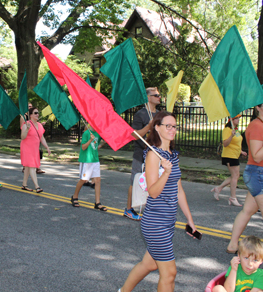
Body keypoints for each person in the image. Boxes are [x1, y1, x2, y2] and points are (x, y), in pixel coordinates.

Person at [119, 111, 198, 292]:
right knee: (169, 273)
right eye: (167, 126)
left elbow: (179, 190)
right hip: (155, 223)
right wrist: (167, 172)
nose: (172, 129)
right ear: (157, 127)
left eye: (174, 126)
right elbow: (153, 192)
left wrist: (190, 219)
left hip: (168, 221)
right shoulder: (153, 155)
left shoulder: (172, 155)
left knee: (149, 265)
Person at [227, 94, 263, 255]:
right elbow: (257, 156)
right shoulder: (257, 126)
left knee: (247, 211)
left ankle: (232, 244)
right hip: (260, 174)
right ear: (257, 108)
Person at [125, 87, 160, 220]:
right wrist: (148, 127)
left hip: (155, 155)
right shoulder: (140, 114)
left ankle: (151, 210)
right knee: (136, 182)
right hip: (141, 154)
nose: (159, 97)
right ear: (148, 98)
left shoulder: (159, 114)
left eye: (159, 95)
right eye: (156, 95)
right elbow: (134, 135)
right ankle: (129, 209)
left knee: (153, 182)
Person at [211, 115, 247, 206]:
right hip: (229, 155)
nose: (239, 120)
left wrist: (241, 151)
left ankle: (219, 188)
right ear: (231, 120)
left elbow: (237, 143)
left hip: (235, 155)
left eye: (239, 118)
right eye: (237, 118)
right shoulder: (227, 130)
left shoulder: (236, 130)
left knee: (235, 175)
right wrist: (231, 135)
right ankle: (232, 197)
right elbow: (225, 144)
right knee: (235, 176)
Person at [70, 123, 107, 211]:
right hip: (86, 160)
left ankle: (97, 203)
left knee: (97, 180)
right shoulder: (86, 133)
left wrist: (104, 142)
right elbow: (83, 147)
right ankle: (74, 197)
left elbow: (95, 147)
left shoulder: (97, 134)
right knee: (83, 180)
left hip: (95, 160)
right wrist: (90, 139)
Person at [20, 107, 51, 193]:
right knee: (32, 166)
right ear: (31, 115)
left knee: (27, 167)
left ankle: (24, 185)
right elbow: (22, 137)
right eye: (35, 113)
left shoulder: (40, 125)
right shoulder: (26, 124)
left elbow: (42, 138)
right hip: (26, 148)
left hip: (34, 149)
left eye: (38, 113)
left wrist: (47, 147)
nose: (37, 114)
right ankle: (37, 186)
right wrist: (27, 129)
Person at [20, 103, 45, 174]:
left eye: (31, 106)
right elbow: (22, 127)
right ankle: (25, 167)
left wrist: (41, 125)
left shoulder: (33, 115)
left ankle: (37, 168)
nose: (30, 107)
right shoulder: (23, 117)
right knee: (28, 154)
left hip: (34, 138)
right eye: (28, 106)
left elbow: (35, 124)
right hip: (27, 138)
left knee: (36, 153)